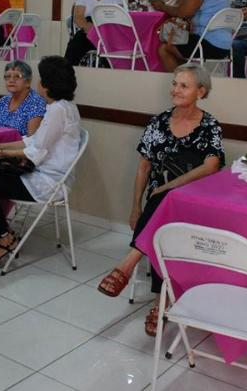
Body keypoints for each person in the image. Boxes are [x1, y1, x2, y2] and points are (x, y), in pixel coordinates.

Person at [96, 63, 225, 336]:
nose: (175, 90)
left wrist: (169, 186)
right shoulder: (158, 122)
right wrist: (135, 207)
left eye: (184, 85)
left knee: (166, 200)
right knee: (161, 222)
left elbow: (212, 165)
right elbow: (143, 167)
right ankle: (161, 300)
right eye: (174, 84)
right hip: (158, 204)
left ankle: (128, 263)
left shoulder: (209, 125)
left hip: (193, 205)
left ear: (201, 91)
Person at [0, 56, 81, 264]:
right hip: (43, 174)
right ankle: (0, 232)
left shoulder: (57, 110)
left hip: (48, 182)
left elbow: (34, 151)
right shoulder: (65, 106)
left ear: (47, 84)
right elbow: (31, 140)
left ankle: (3, 236)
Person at [64, 0, 125, 65]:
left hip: (108, 31)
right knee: (75, 45)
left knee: (112, 51)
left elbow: (118, 16)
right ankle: (65, 71)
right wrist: (87, 26)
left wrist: (103, 30)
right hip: (89, 29)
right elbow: (78, 16)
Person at [0, 60, 46, 137]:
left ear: (28, 82)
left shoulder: (36, 103)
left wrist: (2, 145)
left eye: (17, 76)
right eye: (8, 76)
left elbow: (32, 139)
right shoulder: (3, 101)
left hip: (20, 144)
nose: (11, 80)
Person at [155, 0, 191, 69]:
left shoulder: (190, 5)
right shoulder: (169, 3)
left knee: (164, 48)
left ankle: (181, 73)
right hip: (166, 37)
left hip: (184, 39)